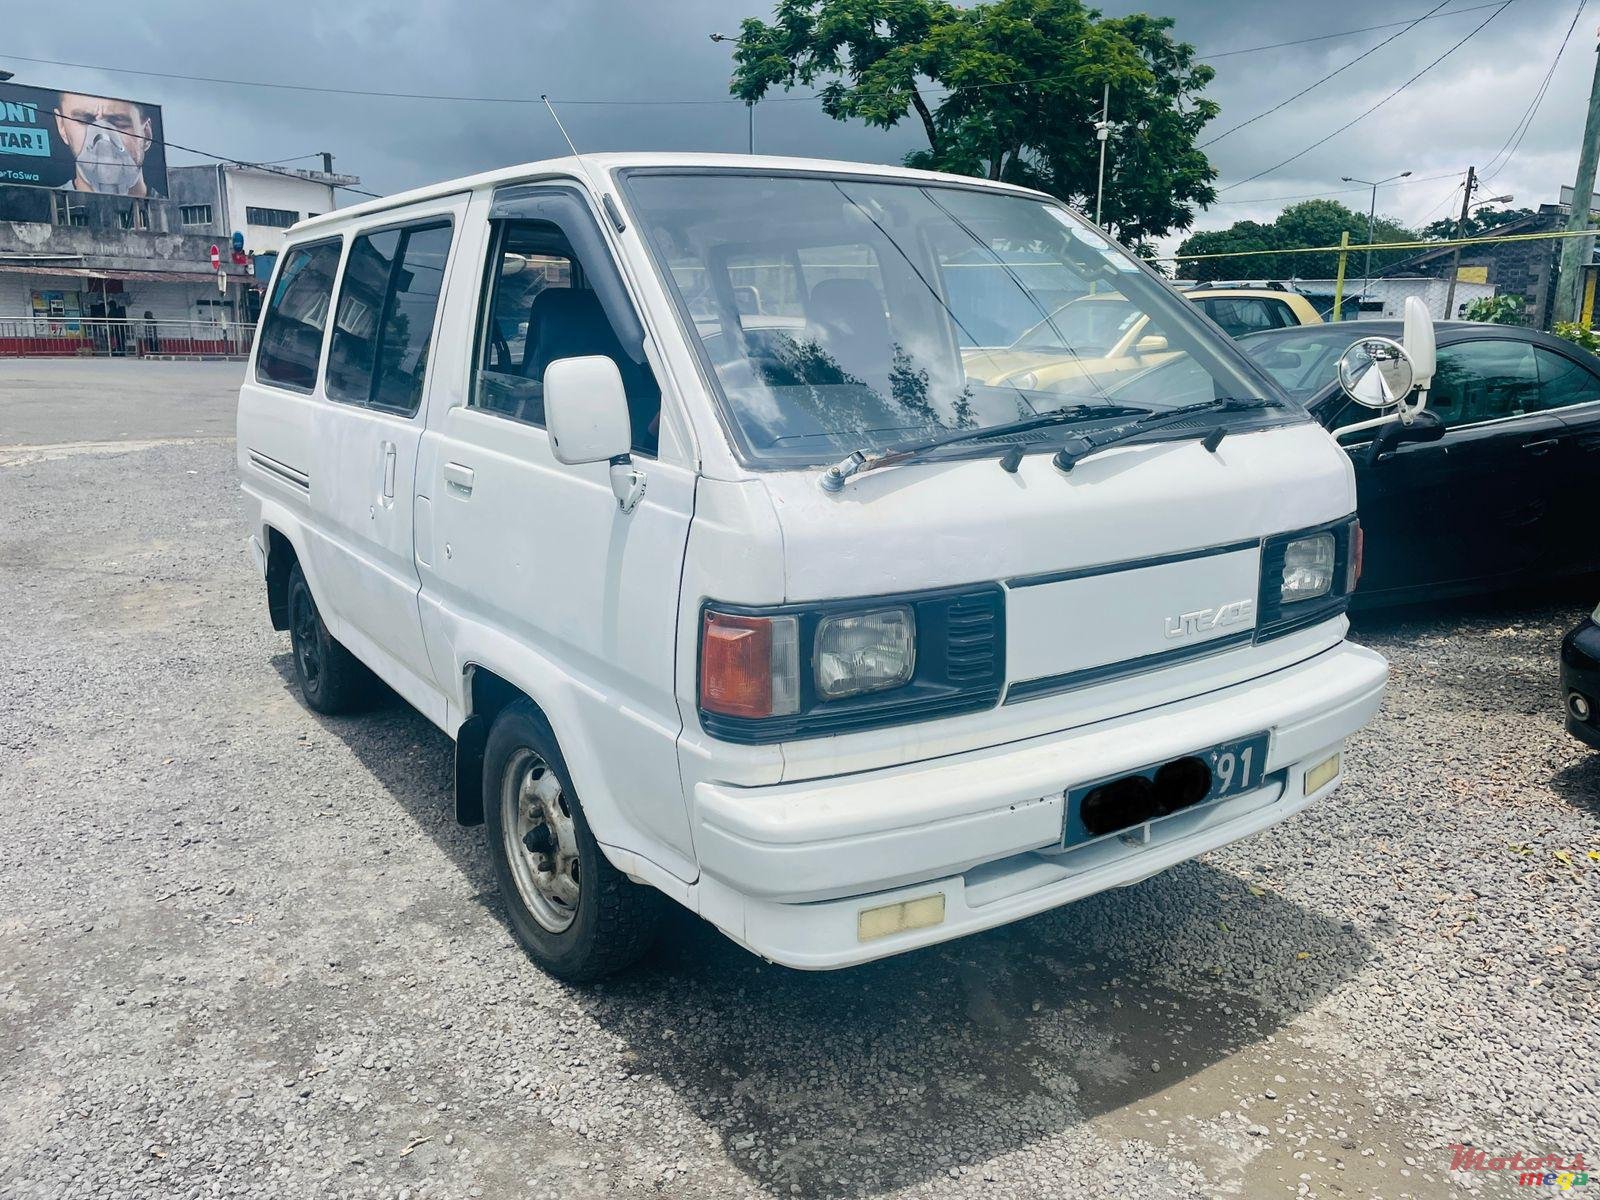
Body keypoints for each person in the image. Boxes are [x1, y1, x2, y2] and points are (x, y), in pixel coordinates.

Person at [53, 93, 155, 197]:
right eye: (84, 120)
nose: (104, 139)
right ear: (61, 125)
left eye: (119, 123)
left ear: (146, 133)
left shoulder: (169, 209)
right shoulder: (44, 208)